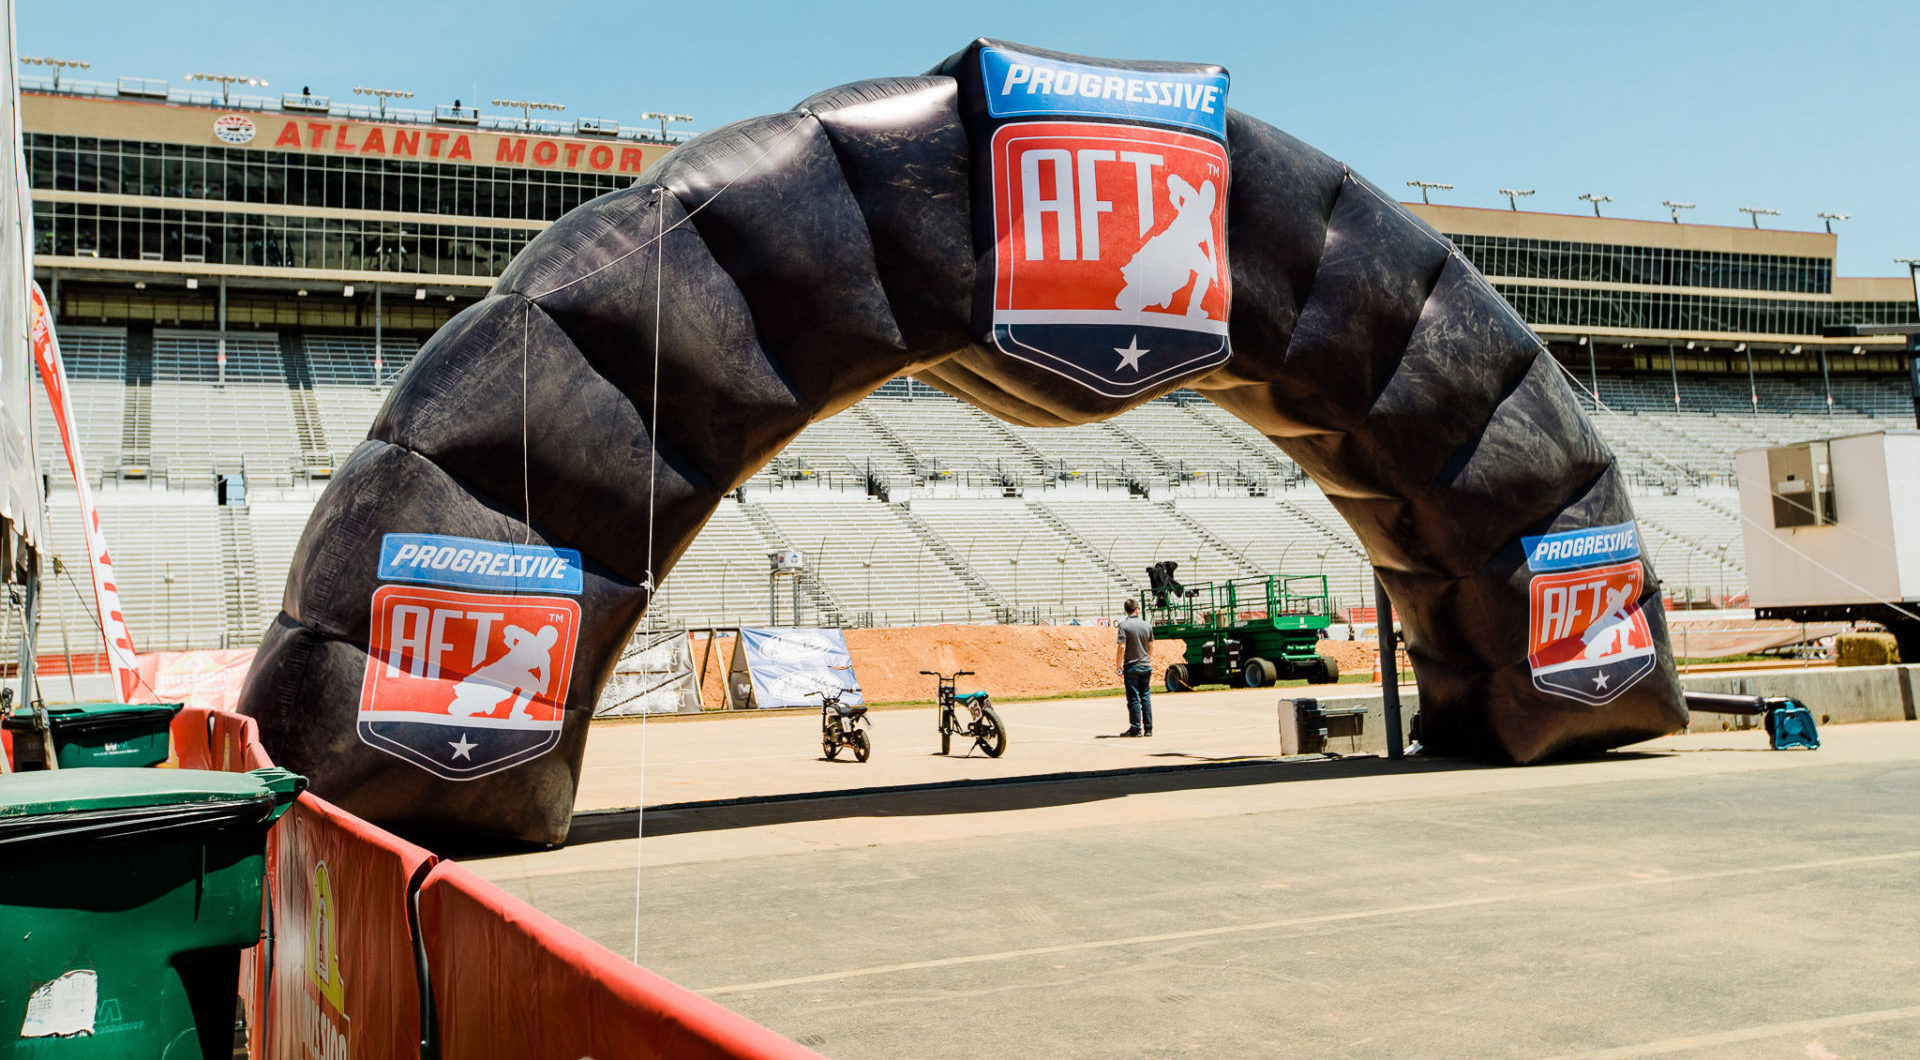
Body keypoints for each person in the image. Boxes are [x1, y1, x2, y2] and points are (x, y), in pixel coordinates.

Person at [1114, 598, 1153, 737]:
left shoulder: (1124, 626)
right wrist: (1148, 659)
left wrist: (1118, 664)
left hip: (1132, 665)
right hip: (1145, 664)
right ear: (1137, 609)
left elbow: (1122, 646)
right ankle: (1148, 728)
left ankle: (1136, 728)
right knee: (1145, 697)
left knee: (1134, 698)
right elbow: (1151, 646)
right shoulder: (1147, 625)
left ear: (1126, 610)